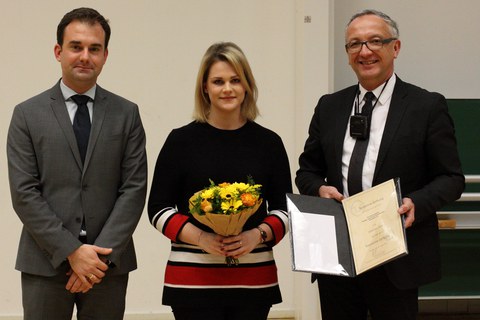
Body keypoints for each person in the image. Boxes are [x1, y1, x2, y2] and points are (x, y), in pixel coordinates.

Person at [295, 9, 464, 320]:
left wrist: (417, 202)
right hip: (338, 256)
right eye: (355, 44)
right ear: (348, 54)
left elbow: (451, 177)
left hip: (396, 255)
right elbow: (306, 171)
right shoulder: (329, 106)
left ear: (395, 48)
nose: (365, 51)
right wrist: (319, 188)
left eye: (375, 41)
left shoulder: (426, 106)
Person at [7, 7, 147, 320]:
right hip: (45, 262)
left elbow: (134, 189)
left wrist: (97, 261)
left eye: (94, 48)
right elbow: (24, 192)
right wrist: (71, 251)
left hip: (107, 267)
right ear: (58, 51)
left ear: (105, 55)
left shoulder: (127, 114)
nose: (85, 56)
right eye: (76, 47)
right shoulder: (27, 115)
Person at [148, 41, 292, 320]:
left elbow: (285, 210)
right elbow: (158, 209)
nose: (227, 89)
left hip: (254, 280)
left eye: (235, 80)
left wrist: (256, 235)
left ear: (247, 85)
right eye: (218, 81)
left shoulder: (269, 143)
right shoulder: (180, 141)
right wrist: (202, 238)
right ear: (205, 87)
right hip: (191, 280)